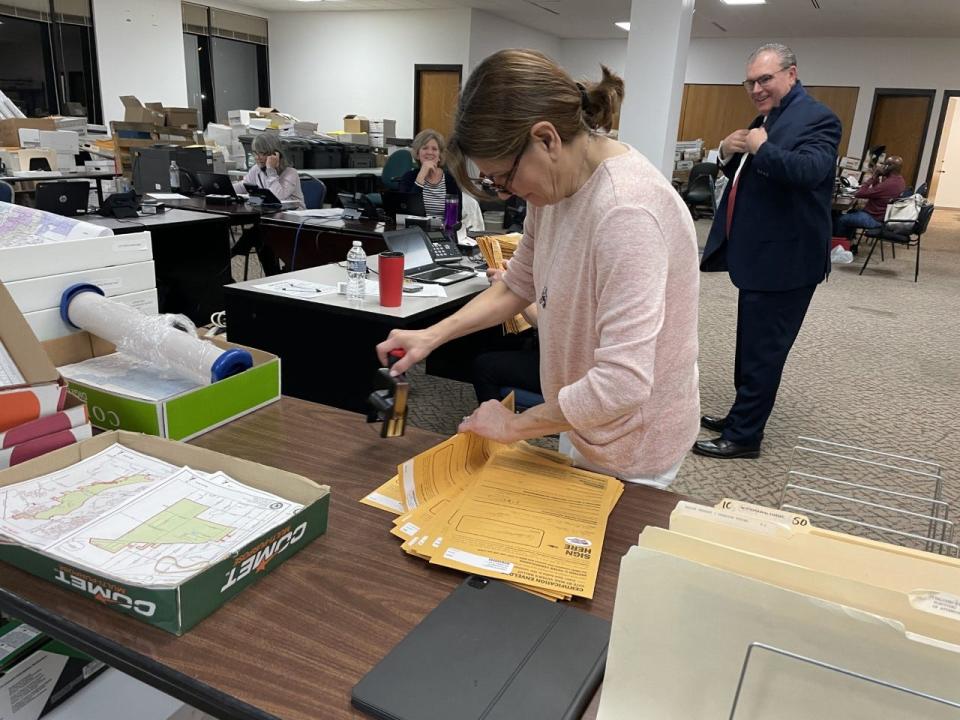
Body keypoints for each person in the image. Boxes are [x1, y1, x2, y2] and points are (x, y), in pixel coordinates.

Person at [377, 49, 701, 488]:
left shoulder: (628, 213)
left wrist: (513, 426)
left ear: (546, 139)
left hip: (633, 440)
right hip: (580, 414)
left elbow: (623, 384)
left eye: (503, 178)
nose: (507, 192)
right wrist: (433, 335)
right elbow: (518, 284)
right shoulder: (555, 188)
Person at [695, 43, 841, 460]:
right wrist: (727, 152)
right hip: (761, 255)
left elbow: (809, 172)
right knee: (750, 344)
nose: (756, 89)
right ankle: (742, 416)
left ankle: (744, 437)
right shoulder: (770, 116)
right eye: (751, 82)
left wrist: (760, 147)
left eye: (765, 80)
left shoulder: (818, 118)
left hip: (788, 260)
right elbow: (750, 170)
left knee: (764, 351)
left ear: (791, 75)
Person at [229, 133, 305, 277]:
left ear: (275, 154)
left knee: (259, 233)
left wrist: (271, 170)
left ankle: (234, 253)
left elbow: (278, 195)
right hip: (270, 220)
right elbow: (243, 185)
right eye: (255, 153)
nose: (258, 157)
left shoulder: (291, 173)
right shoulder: (256, 170)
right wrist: (224, 188)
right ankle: (272, 274)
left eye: (263, 153)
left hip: (292, 223)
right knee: (260, 234)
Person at [834, 155, 906, 249]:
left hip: (874, 218)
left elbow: (859, 193)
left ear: (889, 167)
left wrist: (873, 177)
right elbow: (877, 191)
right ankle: (849, 242)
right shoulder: (899, 180)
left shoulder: (889, 184)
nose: (882, 167)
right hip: (881, 215)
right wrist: (877, 178)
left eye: (884, 164)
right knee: (852, 212)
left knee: (841, 219)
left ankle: (838, 247)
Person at [398, 129, 462, 221]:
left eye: (434, 149)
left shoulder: (451, 179)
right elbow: (406, 212)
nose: (430, 152)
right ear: (417, 154)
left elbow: (456, 217)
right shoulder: (408, 177)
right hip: (416, 230)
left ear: (440, 155)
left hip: (444, 231)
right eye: (425, 148)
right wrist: (421, 176)